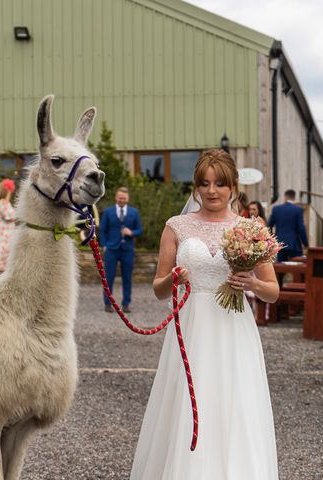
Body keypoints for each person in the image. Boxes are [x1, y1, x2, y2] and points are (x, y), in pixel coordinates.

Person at [131, 149, 279, 479]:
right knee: (186, 403)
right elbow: (157, 288)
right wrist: (173, 280)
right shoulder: (176, 227)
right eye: (204, 183)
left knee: (234, 403)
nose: (212, 191)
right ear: (196, 187)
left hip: (234, 328)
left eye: (220, 183)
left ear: (233, 187)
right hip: (192, 325)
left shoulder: (250, 229)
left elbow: (273, 290)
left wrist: (252, 281)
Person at [99, 187, 143, 313]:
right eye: (120, 198)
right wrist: (104, 245)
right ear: (116, 198)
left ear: (127, 198)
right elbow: (102, 230)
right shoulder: (108, 212)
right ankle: (108, 304)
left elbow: (140, 230)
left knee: (127, 278)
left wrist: (131, 232)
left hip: (127, 250)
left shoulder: (134, 212)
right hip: (111, 249)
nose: (122, 200)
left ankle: (126, 304)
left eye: (124, 198)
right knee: (109, 277)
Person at [267, 189, 308, 262]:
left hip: (279, 243)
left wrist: (271, 240)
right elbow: (301, 228)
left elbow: (269, 226)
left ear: (285, 197)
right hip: (294, 244)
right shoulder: (298, 210)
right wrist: (305, 243)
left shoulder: (276, 209)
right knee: (297, 268)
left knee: (280, 268)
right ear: (294, 198)